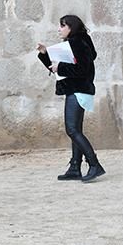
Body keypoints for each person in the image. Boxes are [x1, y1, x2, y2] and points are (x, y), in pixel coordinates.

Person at [37, 15, 104, 183]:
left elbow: (82, 69)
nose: (59, 29)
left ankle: (94, 165)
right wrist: (46, 54)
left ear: (71, 27)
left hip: (79, 89)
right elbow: (57, 67)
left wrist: (61, 66)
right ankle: (75, 167)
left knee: (72, 130)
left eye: (62, 26)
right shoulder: (76, 42)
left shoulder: (77, 42)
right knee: (76, 131)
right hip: (78, 89)